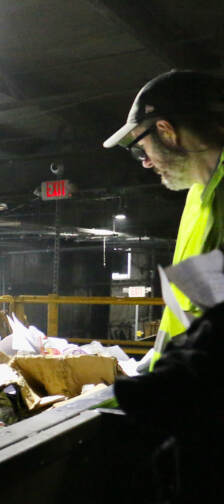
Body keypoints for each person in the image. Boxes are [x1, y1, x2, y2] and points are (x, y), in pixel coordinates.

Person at [103, 70, 224, 365]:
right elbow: (195, 302)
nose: (144, 162)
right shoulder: (198, 196)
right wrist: (157, 356)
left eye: (140, 147)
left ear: (167, 131)